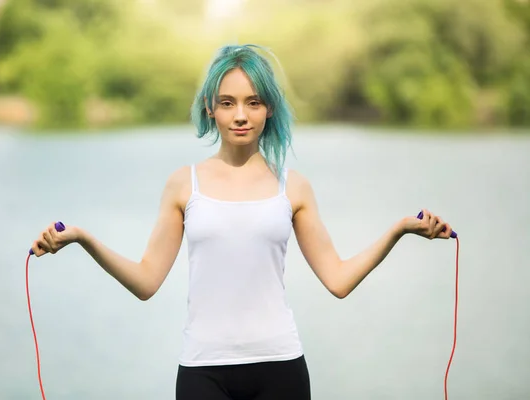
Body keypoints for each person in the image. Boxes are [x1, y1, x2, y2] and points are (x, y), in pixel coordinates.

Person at [30, 44, 454, 400]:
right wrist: (84, 239)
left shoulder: (295, 188)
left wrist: (398, 230)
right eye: (228, 103)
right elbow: (146, 282)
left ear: (269, 109)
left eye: (253, 102)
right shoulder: (184, 185)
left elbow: (338, 280)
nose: (240, 115)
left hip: (281, 368)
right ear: (210, 108)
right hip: (203, 371)